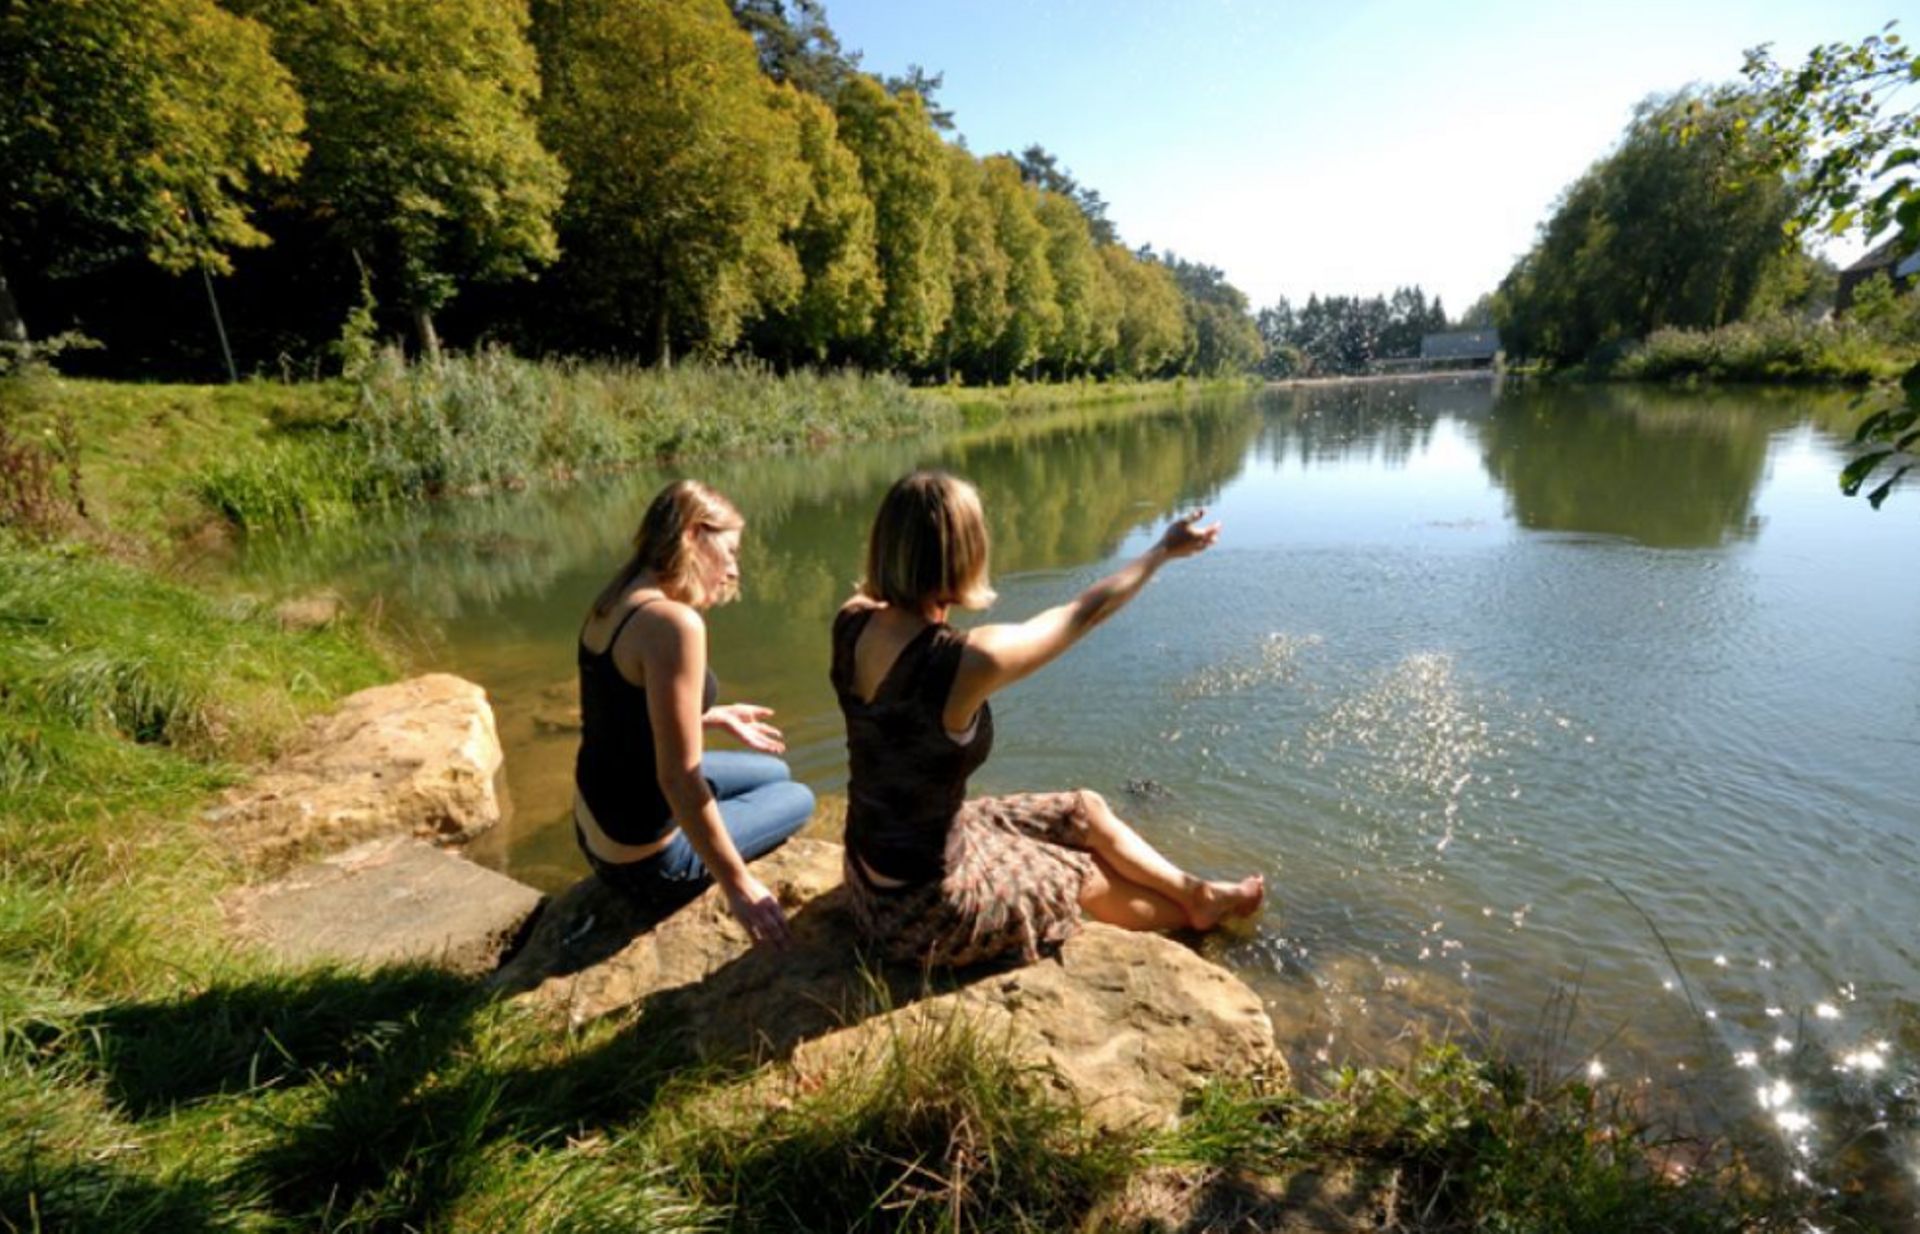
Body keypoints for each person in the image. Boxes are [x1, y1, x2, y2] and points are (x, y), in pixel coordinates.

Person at [831, 469, 1264, 968]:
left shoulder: (851, 620)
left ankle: (1199, 893)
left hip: (871, 872)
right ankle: (1190, 920)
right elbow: (1084, 612)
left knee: (1084, 810)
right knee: (1079, 870)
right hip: (922, 910)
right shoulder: (964, 662)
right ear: (965, 552)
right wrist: (1161, 550)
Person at [574, 479, 813, 946]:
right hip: (646, 865)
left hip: (596, 829)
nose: (732, 570)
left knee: (774, 769)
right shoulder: (674, 624)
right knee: (798, 795)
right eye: (730, 551)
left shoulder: (613, 598)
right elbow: (678, 779)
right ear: (692, 535)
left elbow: (615, 707)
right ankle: (695, 851)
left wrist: (708, 715)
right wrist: (739, 886)